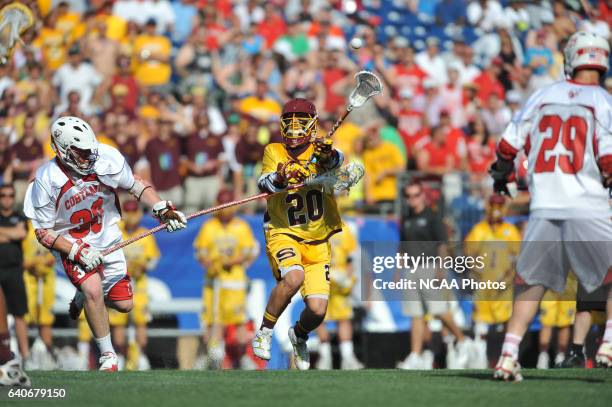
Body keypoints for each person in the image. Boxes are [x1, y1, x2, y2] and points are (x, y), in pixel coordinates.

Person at [490, 31, 612, 381]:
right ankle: (607, 344)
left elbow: (507, 147)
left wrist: (501, 176)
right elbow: (607, 158)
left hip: (545, 206)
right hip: (588, 204)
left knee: (531, 283)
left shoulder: (542, 96)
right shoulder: (603, 101)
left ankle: (509, 354)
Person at [23, 116, 187, 371]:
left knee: (124, 305)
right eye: (81, 152)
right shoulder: (47, 178)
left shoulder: (105, 157)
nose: (89, 156)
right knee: (94, 291)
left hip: (107, 236)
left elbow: (135, 185)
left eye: (90, 150)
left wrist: (161, 208)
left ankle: (85, 298)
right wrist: (76, 250)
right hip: (70, 242)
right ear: (62, 149)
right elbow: (43, 233)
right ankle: (108, 356)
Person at [251, 98, 344, 370]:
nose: (293, 127)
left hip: (318, 240)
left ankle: (299, 334)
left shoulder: (322, 152)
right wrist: (282, 178)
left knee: (317, 310)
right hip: (284, 231)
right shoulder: (274, 150)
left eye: (300, 121)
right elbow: (264, 182)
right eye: (289, 121)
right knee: (294, 276)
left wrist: (327, 156)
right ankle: (265, 331)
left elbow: (339, 164)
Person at [396, 180, 472, 370]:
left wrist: (441, 269)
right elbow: (403, 245)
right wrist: (398, 269)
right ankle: (415, 354)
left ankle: (463, 340)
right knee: (416, 314)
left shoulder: (432, 217)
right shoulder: (406, 219)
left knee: (438, 310)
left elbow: (442, 244)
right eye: (408, 196)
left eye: (415, 195)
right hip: (411, 269)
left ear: (422, 195)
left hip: (429, 266)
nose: (412, 200)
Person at [194, 189, 259, 369]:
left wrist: (233, 261)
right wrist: (210, 264)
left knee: (239, 320)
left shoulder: (241, 226)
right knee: (213, 320)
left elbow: (249, 251)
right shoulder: (209, 226)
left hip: (235, 282)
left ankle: (242, 357)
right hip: (214, 281)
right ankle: (212, 356)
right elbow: (200, 252)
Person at [464, 195, 521, 368]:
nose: (496, 209)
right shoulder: (479, 230)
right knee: (481, 322)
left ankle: (507, 357)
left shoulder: (511, 231)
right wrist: (476, 270)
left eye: (499, 205)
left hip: (504, 286)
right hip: (484, 284)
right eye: (493, 204)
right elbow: (468, 255)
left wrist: (508, 277)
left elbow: (518, 259)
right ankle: (480, 358)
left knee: (506, 322)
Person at [108, 200, 160, 371]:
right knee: (118, 323)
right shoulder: (116, 233)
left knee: (140, 322)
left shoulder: (145, 233)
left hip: (139, 286)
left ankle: (140, 355)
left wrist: (141, 265)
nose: (131, 217)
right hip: (120, 283)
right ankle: (121, 356)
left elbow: (153, 260)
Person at [315, 223, 363, 370]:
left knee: (344, 317)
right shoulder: (314, 226)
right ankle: (325, 355)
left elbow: (351, 258)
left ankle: (347, 356)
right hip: (319, 275)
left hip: (339, 279)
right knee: (317, 314)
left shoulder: (346, 229)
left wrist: (347, 277)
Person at [0, 184, 29, 362]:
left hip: (14, 270)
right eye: (3, 195)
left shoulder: (19, 216)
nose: (7, 199)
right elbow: (16, 233)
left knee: (19, 314)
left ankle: (26, 356)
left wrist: (4, 233)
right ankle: (4, 355)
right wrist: (10, 233)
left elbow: (20, 234)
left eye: (11, 195)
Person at [23, 220, 57, 370]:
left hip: (47, 278)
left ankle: (48, 352)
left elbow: (57, 251)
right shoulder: (25, 227)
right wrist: (33, 263)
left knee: (45, 318)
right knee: (25, 316)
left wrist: (46, 261)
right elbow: (20, 255)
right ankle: (24, 354)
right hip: (29, 278)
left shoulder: (51, 225)